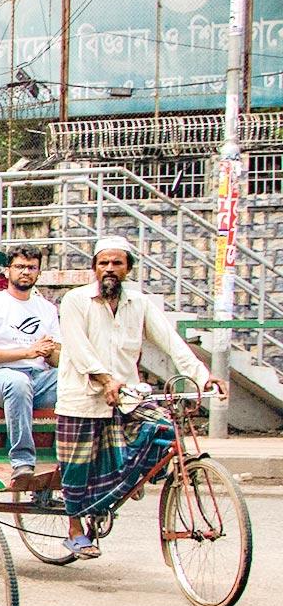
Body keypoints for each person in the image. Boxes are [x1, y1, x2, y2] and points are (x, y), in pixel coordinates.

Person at [54, 235, 218, 558]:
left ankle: (127, 482)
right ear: (94, 268)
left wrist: (203, 375)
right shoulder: (75, 301)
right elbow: (78, 349)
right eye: (104, 263)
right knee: (76, 467)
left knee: (165, 431)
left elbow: (171, 342)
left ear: (128, 268)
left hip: (127, 397)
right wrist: (105, 379)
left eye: (117, 263)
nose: (110, 269)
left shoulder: (140, 304)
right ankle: (74, 529)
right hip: (82, 398)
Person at [0, 246, 62, 486]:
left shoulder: (47, 309)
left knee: (75, 380)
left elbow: (57, 358)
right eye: (19, 267)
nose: (25, 272)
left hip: (38, 378)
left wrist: (50, 353)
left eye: (31, 268)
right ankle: (22, 462)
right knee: (18, 383)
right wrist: (28, 351)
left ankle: (75, 458)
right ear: (8, 271)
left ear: (38, 273)